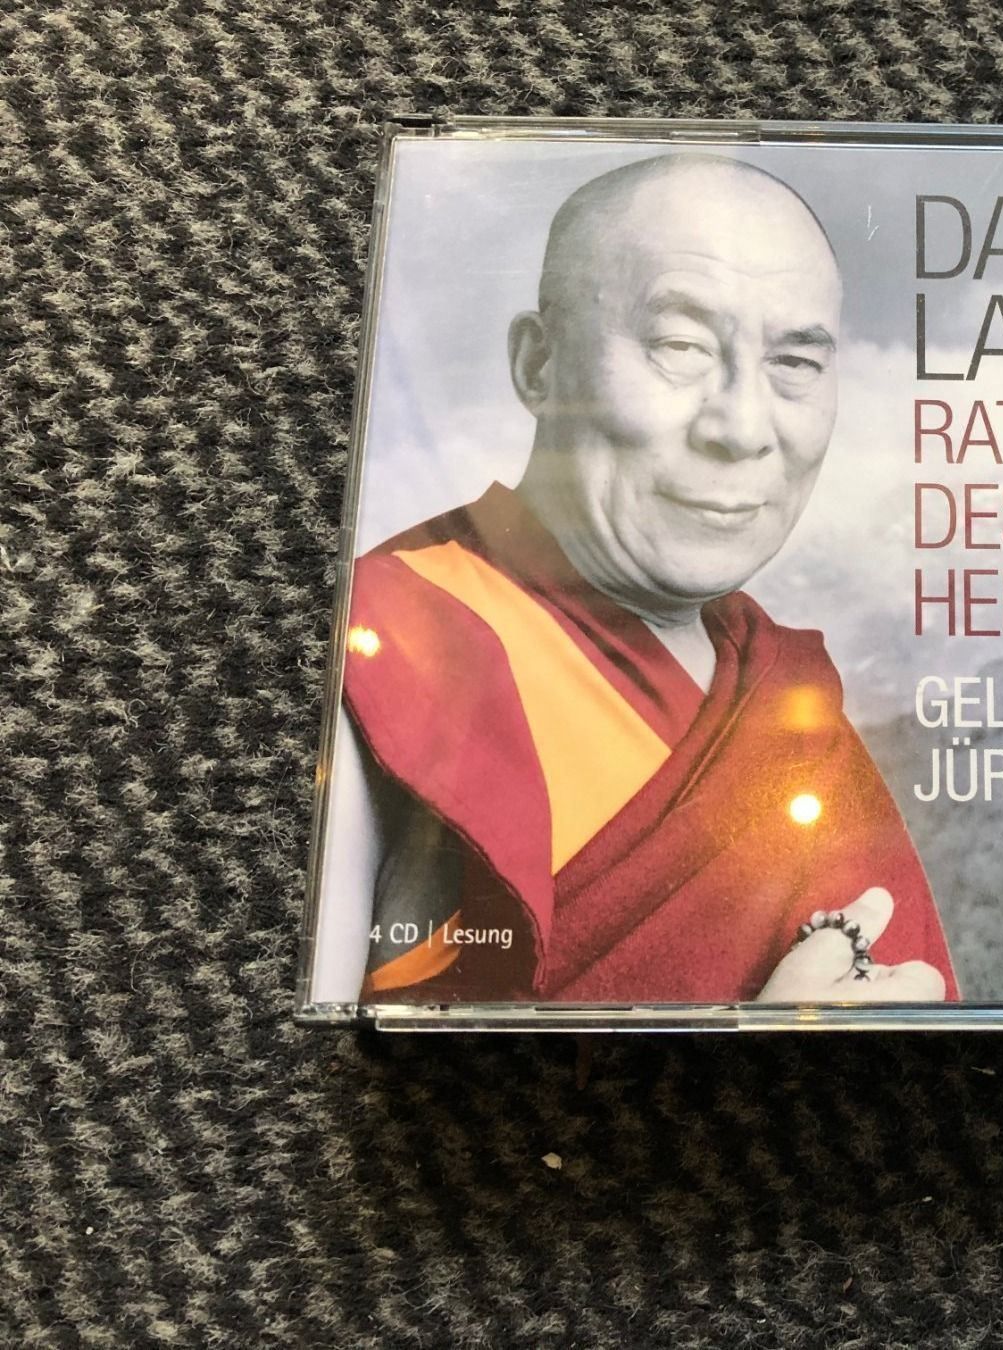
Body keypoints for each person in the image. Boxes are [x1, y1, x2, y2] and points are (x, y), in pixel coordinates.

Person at [333, 154, 956, 1005]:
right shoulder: (391, 642)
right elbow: (289, 1070)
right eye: (680, 347)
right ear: (539, 365)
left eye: (795, 364)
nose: (742, 427)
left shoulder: (777, 692)